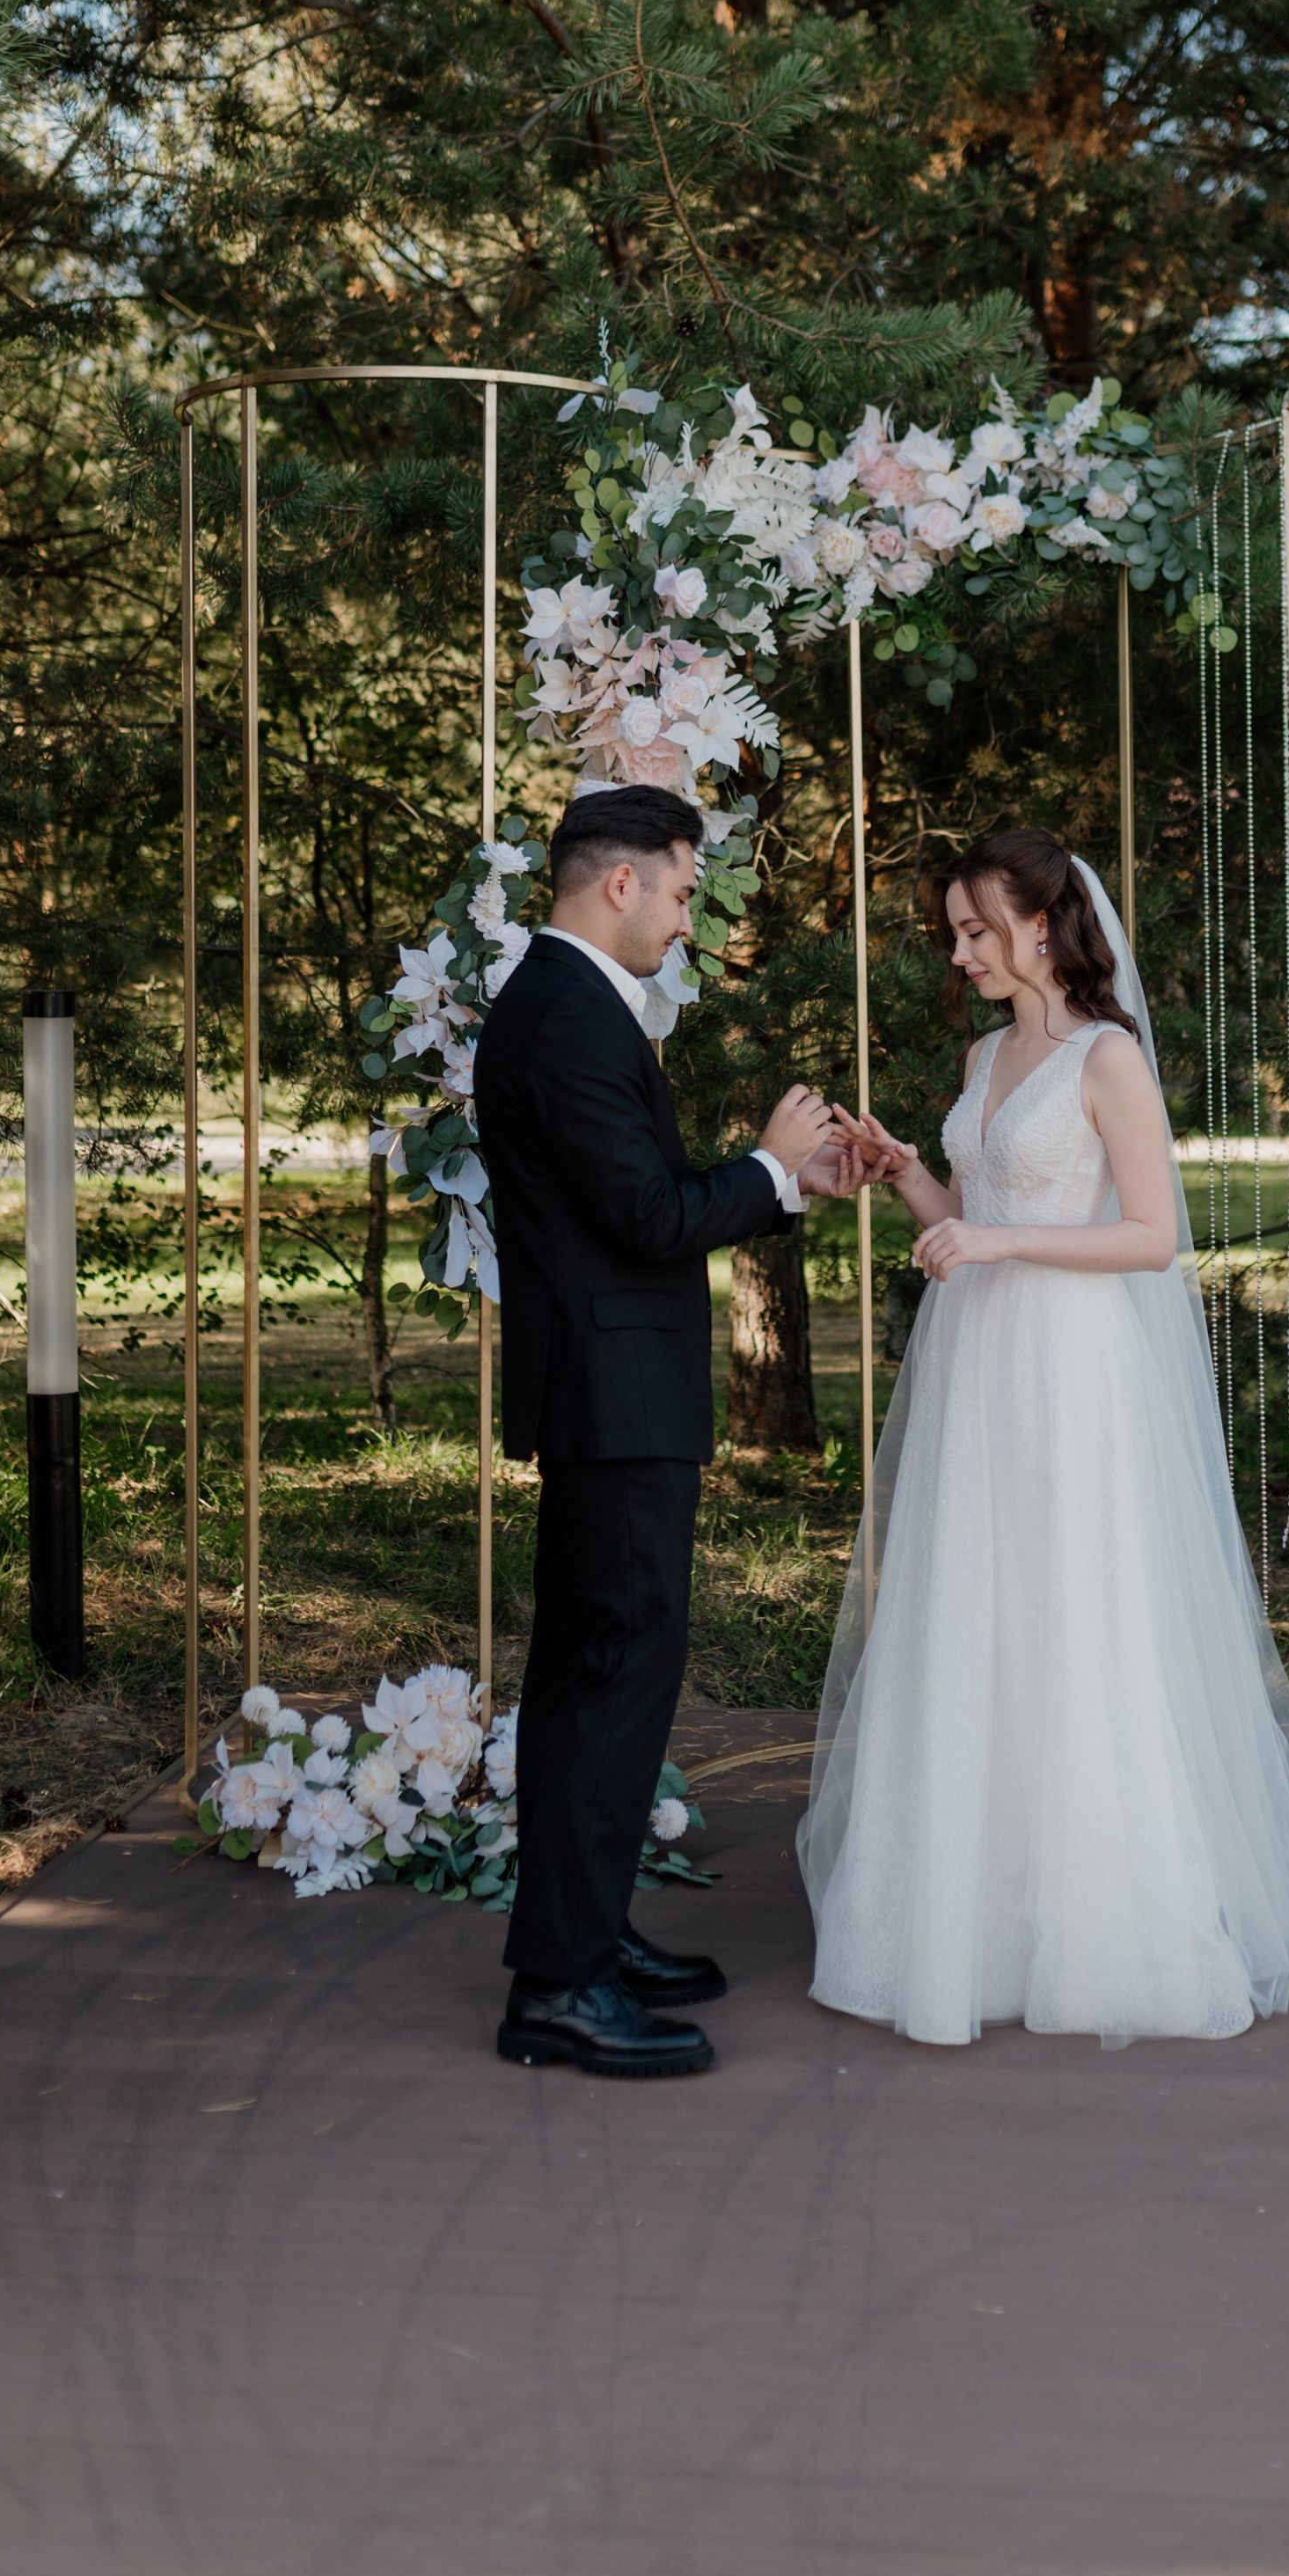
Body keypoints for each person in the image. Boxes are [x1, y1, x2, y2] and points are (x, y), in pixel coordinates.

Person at [800, 826, 1289, 2047]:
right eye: (953, 933)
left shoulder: (1107, 1061)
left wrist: (996, 1242)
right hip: (983, 1367)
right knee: (978, 1611)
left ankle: (1112, 1920)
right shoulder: (984, 1053)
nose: (960, 954)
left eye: (976, 931)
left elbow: (1152, 1236)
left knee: (1074, 1613)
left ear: (1042, 927)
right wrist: (907, 1175)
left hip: (1074, 1370)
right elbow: (973, 1216)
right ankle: (975, 1920)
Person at [475, 784, 853, 2080]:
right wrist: (765, 1165)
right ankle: (562, 1991)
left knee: (598, 1676)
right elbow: (644, 1214)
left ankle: (584, 1940)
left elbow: (624, 1210)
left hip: (609, 1396)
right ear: (620, 881)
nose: (692, 921)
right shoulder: (566, 1015)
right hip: (611, 1402)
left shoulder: (563, 1005)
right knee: (612, 1677)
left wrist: (778, 1186)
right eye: (688, 893)